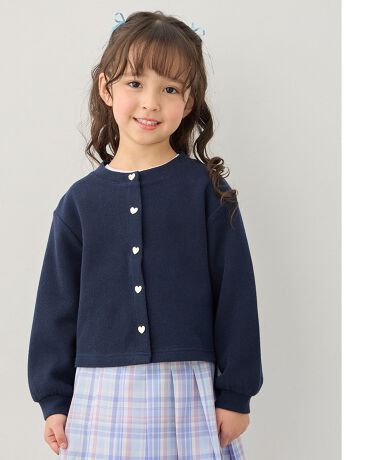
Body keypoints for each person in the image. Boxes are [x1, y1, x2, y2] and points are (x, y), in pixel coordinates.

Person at [27, 10, 264, 459]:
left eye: (170, 88)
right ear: (106, 88)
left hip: (187, 391)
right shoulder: (80, 202)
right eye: (135, 83)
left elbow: (236, 294)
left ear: (189, 102)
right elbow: (56, 306)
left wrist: (236, 393)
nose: (151, 102)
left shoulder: (207, 192)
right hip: (99, 395)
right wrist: (53, 400)